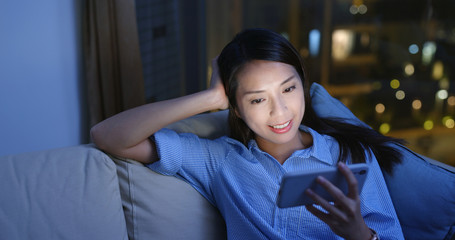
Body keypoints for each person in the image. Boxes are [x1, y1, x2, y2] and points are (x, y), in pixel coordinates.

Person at [91, 28, 404, 239]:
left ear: (302, 85)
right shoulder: (219, 161)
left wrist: (361, 234)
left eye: (289, 88)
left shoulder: (350, 156)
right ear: (236, 107)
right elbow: (107, 136)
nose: (280, 111)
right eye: (257, 99)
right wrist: (210, 99)